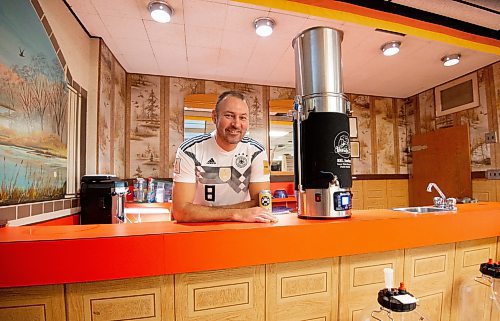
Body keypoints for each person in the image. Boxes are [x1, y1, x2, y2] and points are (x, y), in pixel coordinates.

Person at [172, 90, 278, 223]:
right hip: (200, 230)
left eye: (243, 117)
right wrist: (236, 214)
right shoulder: (190, 150)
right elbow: (181, 211)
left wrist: (205, 212)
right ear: (214, 117)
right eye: (229, 115)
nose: (236, 124)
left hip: (242, 230)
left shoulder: (256, 151)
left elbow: (261, 203)